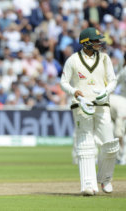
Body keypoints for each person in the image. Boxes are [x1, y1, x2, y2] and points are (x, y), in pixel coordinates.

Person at [60, 27, 118, 196]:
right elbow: (64, 82)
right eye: (95, 41)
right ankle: (88, 184)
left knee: (110, 144)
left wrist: (106, 92)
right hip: (81, 106)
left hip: (102, 105)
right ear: (85, 43)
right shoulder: (73, 60)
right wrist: (74, 92)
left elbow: (113, 81)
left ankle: (105, 179)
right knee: (86, 145)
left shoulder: (105, 59)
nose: (98, 43)